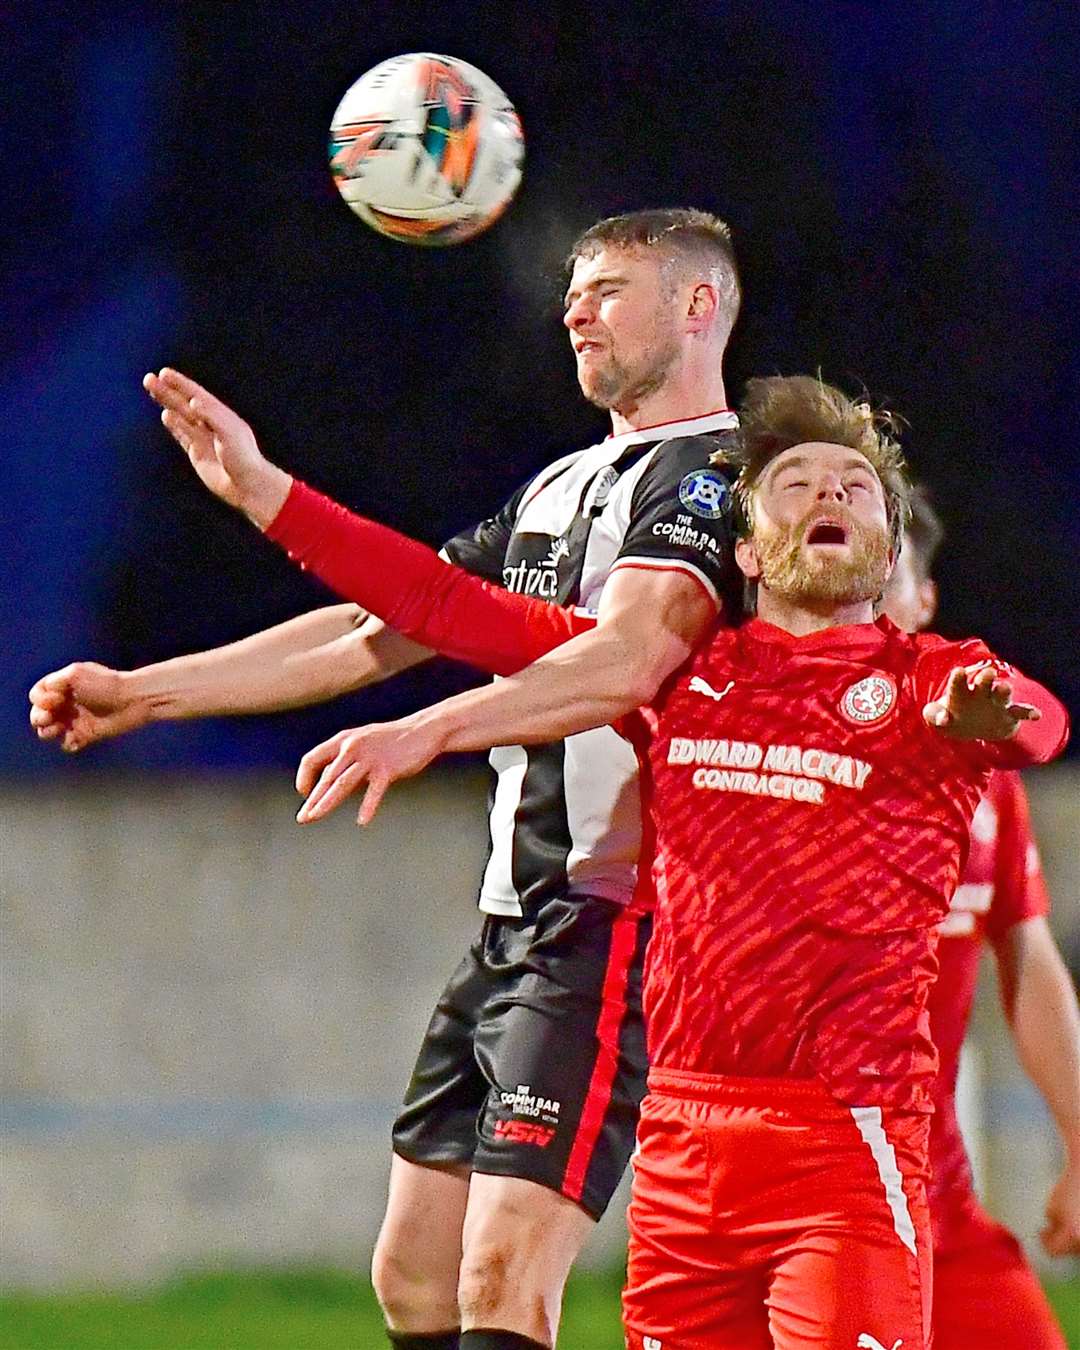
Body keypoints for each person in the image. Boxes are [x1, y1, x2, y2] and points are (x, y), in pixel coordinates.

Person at [102, 369, 1068, 1346]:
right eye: (797, 482)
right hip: (687, 1150)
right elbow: (449, 605)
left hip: (843, 1145)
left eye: (856, 486)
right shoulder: (683, 681)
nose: (828, 492)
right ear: (744, 551)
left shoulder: (926, 682)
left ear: (891, 547)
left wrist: (982, 718)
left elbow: (1035, 720)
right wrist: (270, 497)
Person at [30, 209, 745, 1350]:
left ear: (700, 305)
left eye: (609, 287)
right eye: (573, 290)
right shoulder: (561, 485)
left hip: (619, 919)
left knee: (503, 1278)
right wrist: (148, 691)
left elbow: (627, 659)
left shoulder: (719, 476)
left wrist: (434, 730)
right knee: (414, 1276)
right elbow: (383, 623)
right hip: (514, 923)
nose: (575, 308)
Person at [881, 490, 1080, 1349]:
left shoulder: (980, 767)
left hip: (933, 1188)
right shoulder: (757, 727)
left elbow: (1024, 951)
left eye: (888, 568)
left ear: (925, 599)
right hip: (789, 1190)